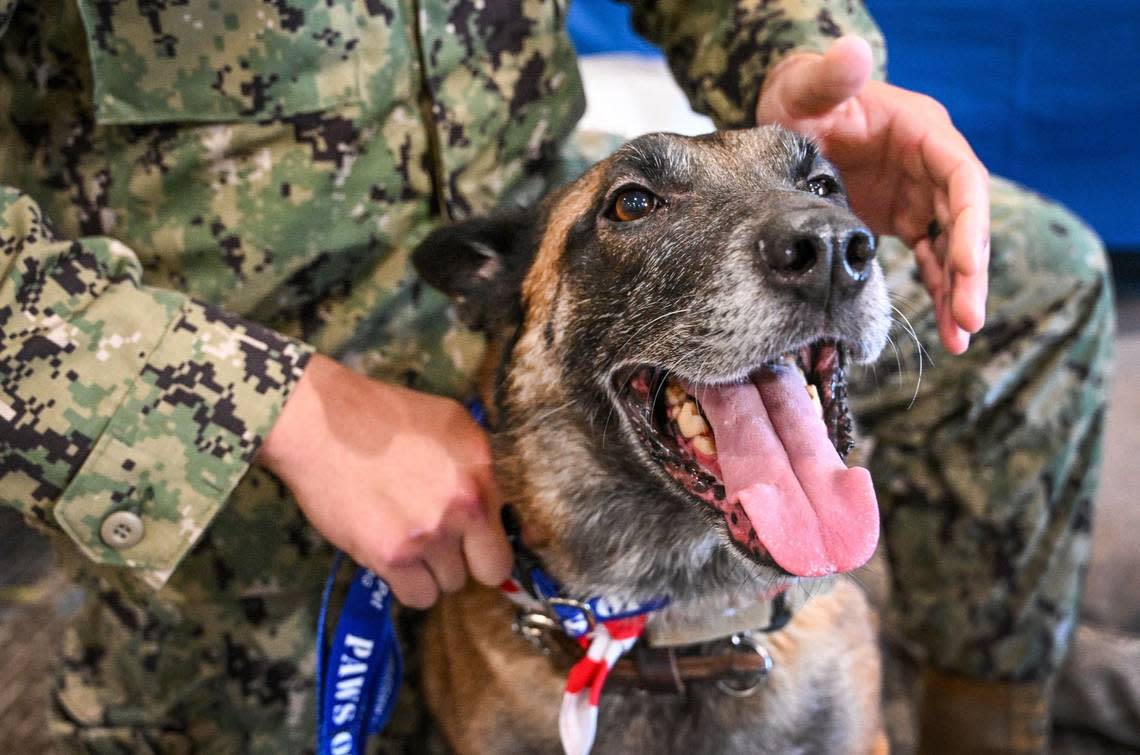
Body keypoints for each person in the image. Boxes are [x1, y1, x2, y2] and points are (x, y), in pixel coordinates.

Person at [0, 1, 1111, 753]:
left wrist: (800, 58)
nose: (830, 235)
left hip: (539, 233)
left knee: (1040, 277)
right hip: (213, 356)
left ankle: (996, 712)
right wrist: (265, 400)